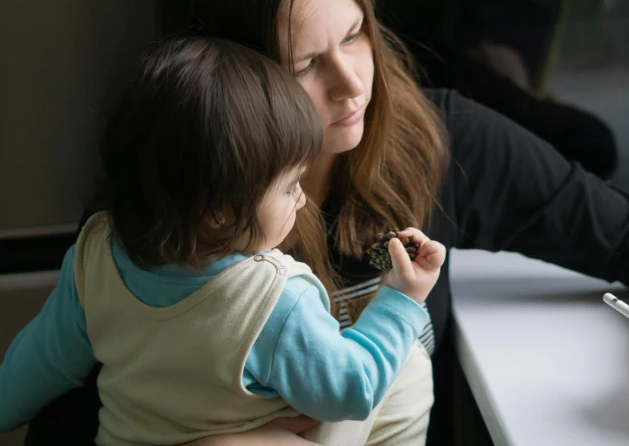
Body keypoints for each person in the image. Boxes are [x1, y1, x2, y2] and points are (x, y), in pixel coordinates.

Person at [24, 0, 629, 444]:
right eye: (305, 64)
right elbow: (56, 418)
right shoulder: (163, 215)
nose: (351, 83)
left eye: (355, 34)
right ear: (227, 83)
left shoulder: (440, 137)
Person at [1, 36, 446, 445]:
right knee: (407, 368)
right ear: (218, 211)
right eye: (292, 185)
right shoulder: (272, 301)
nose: (303, 199)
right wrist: (400, 298)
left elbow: (39, 363)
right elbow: (354, 389)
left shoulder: (95, 255)